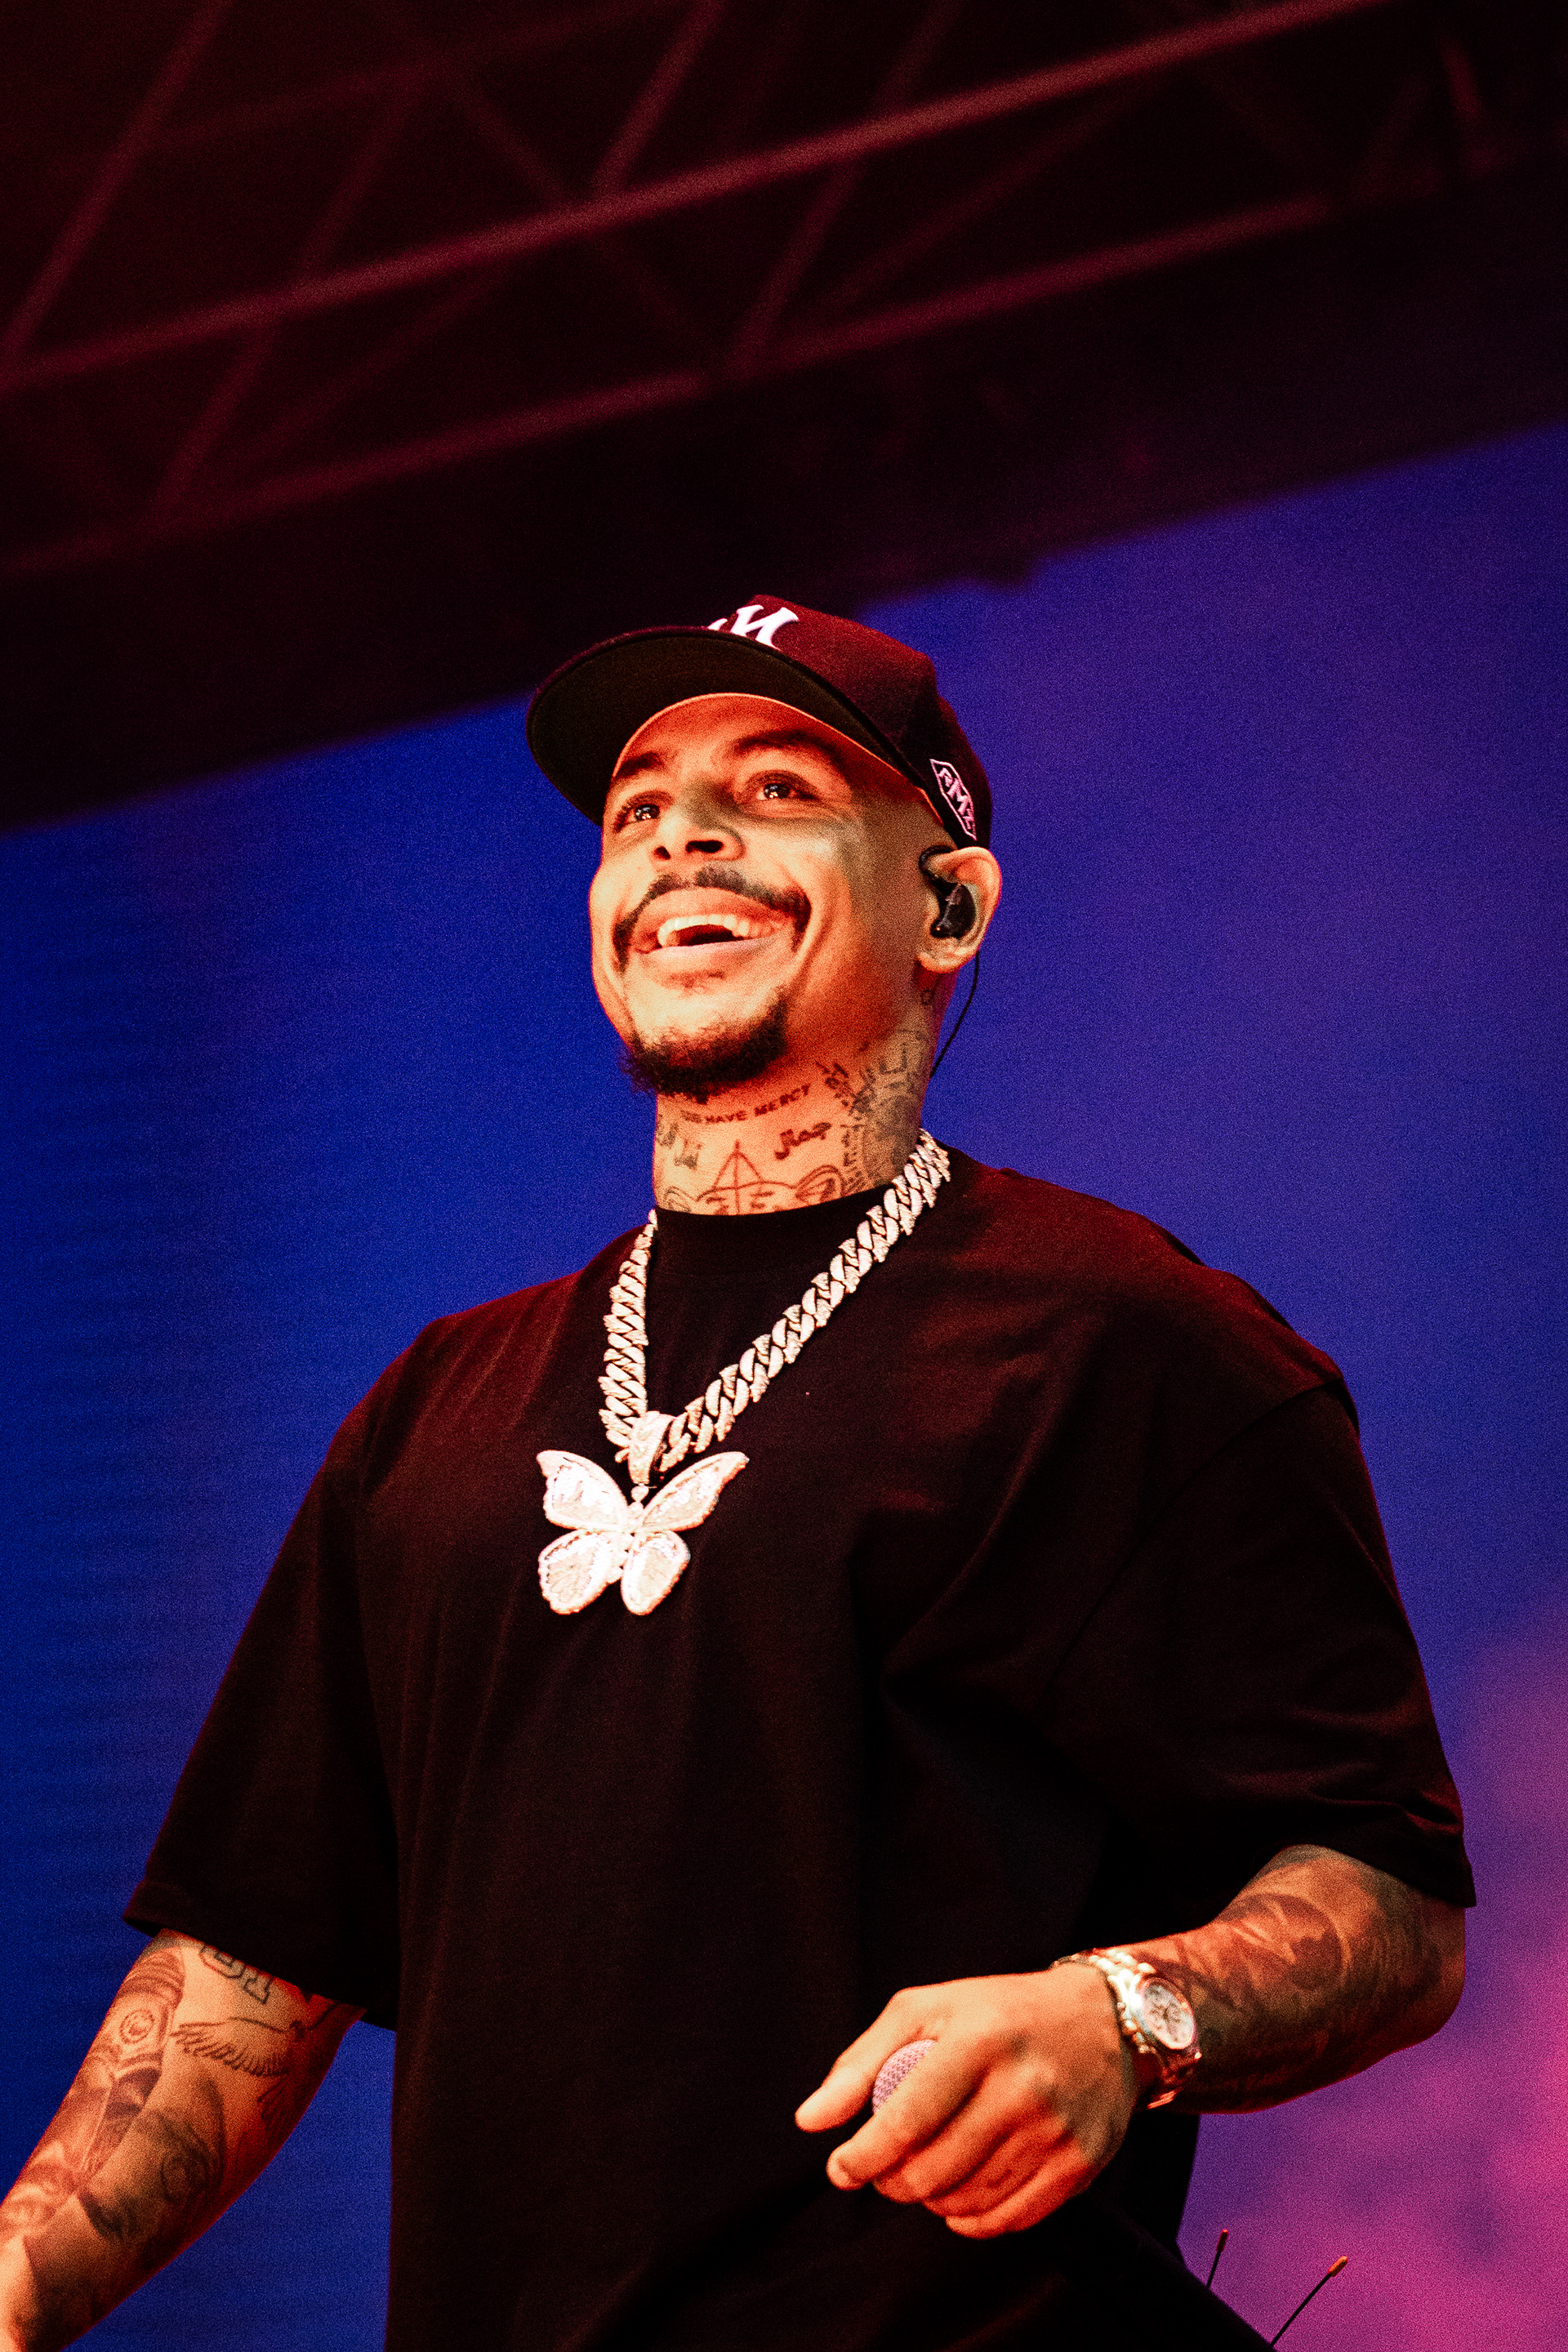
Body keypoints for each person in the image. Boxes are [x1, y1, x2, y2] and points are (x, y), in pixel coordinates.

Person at [0, 597, 1472, 2351]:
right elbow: (247, 1971)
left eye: (777, 788)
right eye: (639, 808)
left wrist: (1120, 2015)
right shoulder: (430, 1411)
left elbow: (1391, 1901)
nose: (683, 836)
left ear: (948, 906)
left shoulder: (1129, 1344)